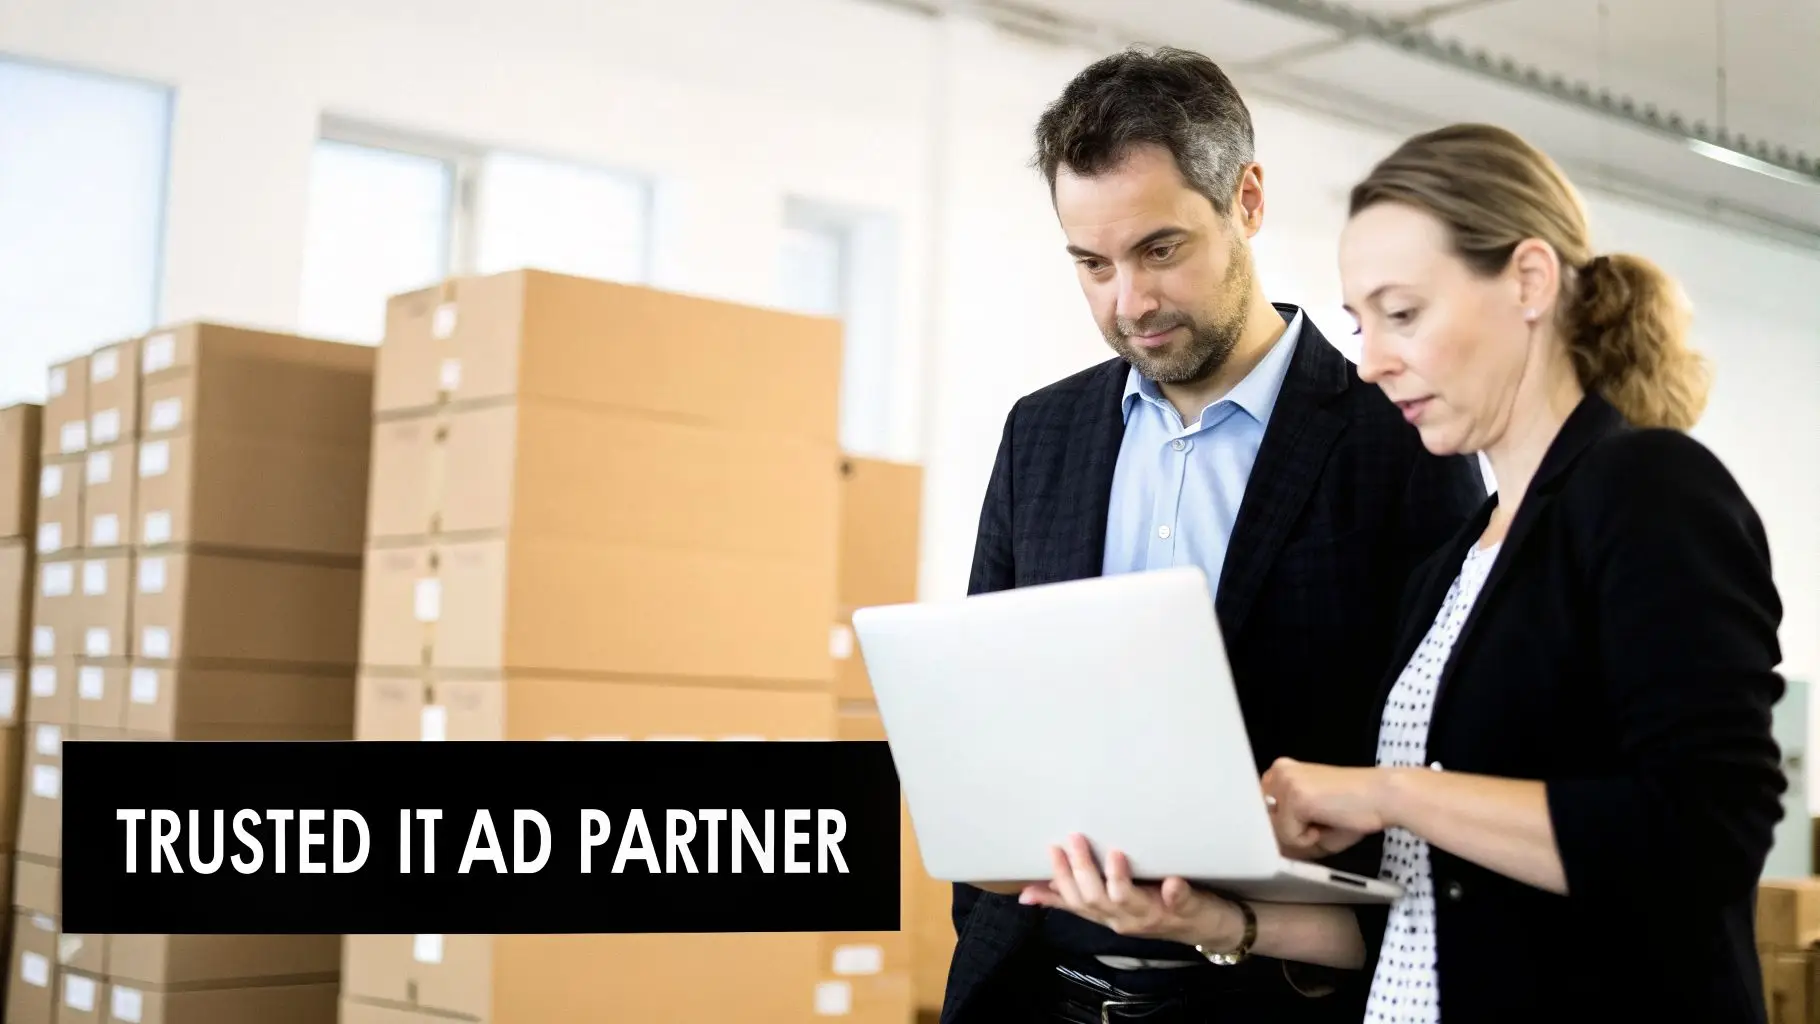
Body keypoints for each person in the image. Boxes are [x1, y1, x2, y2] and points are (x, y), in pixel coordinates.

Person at [1026, 120, 1789, 1024]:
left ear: (1529, 282)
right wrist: (1213, 918)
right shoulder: (1455, 563)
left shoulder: (1649, 489)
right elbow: (1417, 917)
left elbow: (1707, 835)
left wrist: (1389, 793)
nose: (1376, 360)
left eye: (1403, 313)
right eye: (1361, 324)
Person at [943, 47, 1486, 1023]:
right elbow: (991, 715)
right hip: (1036, 985)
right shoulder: (1040, 435)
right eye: (1091, 264)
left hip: (1273, 992)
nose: (1128, 302)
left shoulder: (1399, 437)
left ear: (1245, 200)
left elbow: (1446, 758)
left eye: (1159, 249)